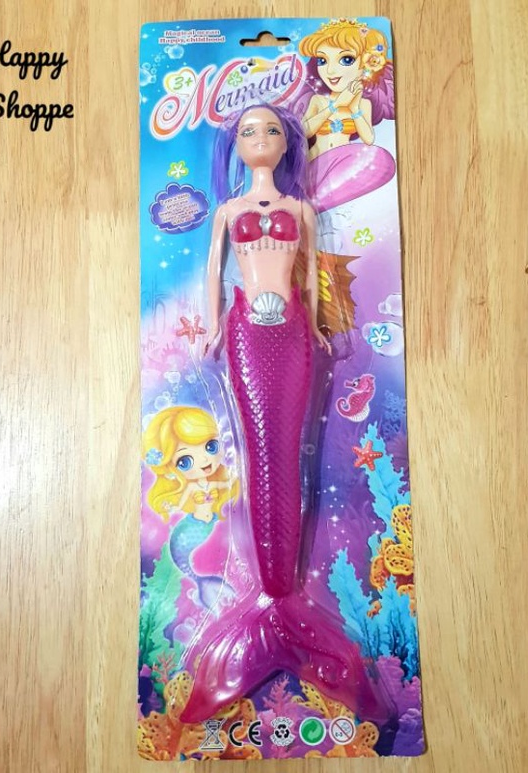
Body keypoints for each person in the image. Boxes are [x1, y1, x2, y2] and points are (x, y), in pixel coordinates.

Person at [179, 103, 386, 724]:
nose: (260, 138)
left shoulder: (302, 210)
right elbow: (214, 272)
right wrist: (214, 326)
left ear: (286, 143)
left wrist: (320, 327)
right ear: (237, 146)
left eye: (271, 130)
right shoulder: (228, 211)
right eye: (249, 131)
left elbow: (312, 275)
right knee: (259, 452)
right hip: (246, 330)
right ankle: (272, 598)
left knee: (288, 454)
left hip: (292, 329)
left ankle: (283, 602)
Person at [297, 18, 396, 213]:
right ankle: (312, 210)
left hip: (343, 167)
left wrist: (354, 108)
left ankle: (321, 211)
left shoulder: (363, 104)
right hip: (315, 164)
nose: (330, 70)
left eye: (346, 59)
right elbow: (303, 132)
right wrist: (335, 105)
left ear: (366, 64)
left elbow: (369, 139)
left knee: (379, 158)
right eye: (322, 60)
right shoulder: (318, 100)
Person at [143, 405, 237, 608]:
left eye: (211, 447)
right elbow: (181, 500)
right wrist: (171, 507)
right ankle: (203, 584)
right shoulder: (192, 488)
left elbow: (226, 485)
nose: (204, 461)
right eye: (185, 461)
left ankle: (205, 584)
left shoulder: (214, 483)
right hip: (191, 529)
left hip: (208, 524)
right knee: (184, 558)